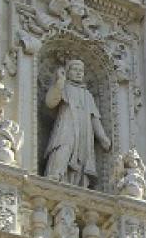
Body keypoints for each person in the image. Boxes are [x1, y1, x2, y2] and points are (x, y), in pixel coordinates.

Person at [43, 58, 110, 187]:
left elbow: (94, 118)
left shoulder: (87, 95)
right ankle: (56, 174)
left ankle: (78, 183)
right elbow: (50, 103)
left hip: (84, 131)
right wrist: (60, 82)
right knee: (64, 146)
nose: (79, 73)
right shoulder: (63, 87)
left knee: (82, 156)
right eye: (75, 70)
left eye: (81, 71)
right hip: (67, 125)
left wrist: (102, 137)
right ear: (67, 72)